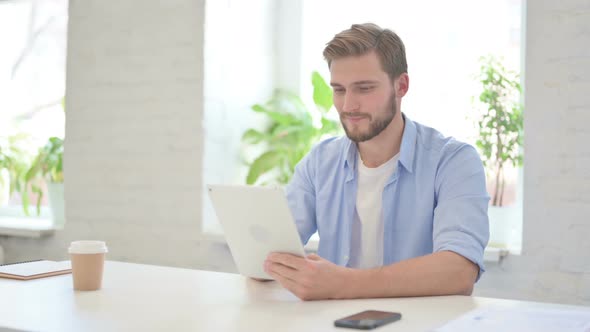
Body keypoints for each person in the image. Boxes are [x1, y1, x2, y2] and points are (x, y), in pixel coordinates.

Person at [262, 23, 489, 301]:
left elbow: (459, 271)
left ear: (401, 86)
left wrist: (343, 284)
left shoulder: (453, 162)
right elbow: (270, 249)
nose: (348, 106)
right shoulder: (320, 162)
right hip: (330, 322)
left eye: (364, 88)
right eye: (339, 90)